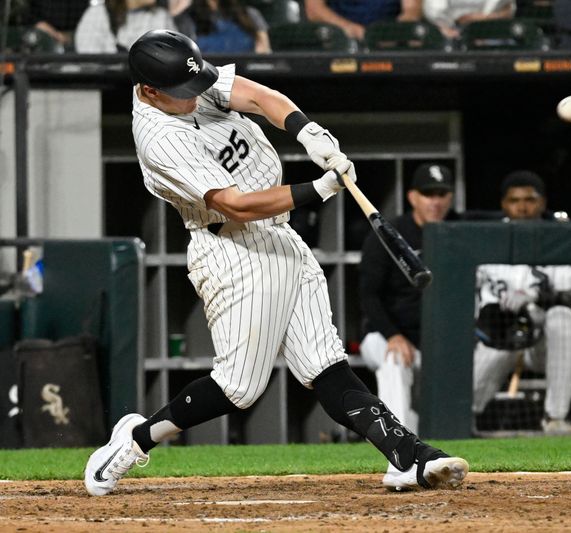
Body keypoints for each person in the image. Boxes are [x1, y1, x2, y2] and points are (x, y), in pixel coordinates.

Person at [83, 30, 467, 497]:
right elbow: (237, 205)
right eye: (182, 94)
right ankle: (135, 439)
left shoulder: (183, 80)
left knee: (326, 366)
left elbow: (257, 96)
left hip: (280, 237)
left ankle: (410, 457)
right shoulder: (159, 138)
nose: (196, 95)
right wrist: (321, 189)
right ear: (148, 91)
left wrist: (308, 131)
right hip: (232, 249)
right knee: (239, 387)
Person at [473, 170, 571, 434]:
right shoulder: (483, 240)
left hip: (545, 341)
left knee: (563, 317)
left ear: (543, 203)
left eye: (530, 199)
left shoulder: (565, 238)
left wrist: (537, 297)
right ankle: (463, 423)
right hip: (498, 336)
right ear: (504, 204)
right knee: (466, 399)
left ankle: (556, 419)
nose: (523, 207)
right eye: (515, 200)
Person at [358, 163, 455, 435]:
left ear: (451, 196)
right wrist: (392, 335)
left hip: (434, 344)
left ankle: (445, 434)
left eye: (441, 194)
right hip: (385, 335)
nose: (435, 201)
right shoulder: (389, 234)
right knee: (395, 360)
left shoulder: (458, 230)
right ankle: (400, 443)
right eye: (428, 194)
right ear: (413, 197)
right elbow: (368, 294)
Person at [74, 0, 176, 53]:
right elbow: (88, 59)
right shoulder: (97, 14)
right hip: (109, 87)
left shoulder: (161, 16)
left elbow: (176, 56)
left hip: (151, 88)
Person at [175, 0, 270, 53]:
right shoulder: (186, 19)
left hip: (249, 79)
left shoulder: (249, 14)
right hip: (208, 80)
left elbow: (263, 51)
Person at [305, 0, 422, 41]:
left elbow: (411, 11)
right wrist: (349, 28)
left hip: (388, 39)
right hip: (338, 37)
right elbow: (314, 9)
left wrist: (394, 32)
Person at [423, 0, 515, 39]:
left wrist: (481, 20)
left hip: (491, 34)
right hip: (446, 36)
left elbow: (508, 10)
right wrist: (444, 27)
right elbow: (434, 12)